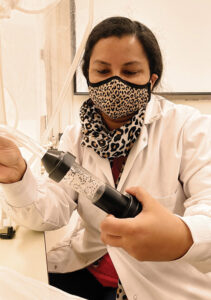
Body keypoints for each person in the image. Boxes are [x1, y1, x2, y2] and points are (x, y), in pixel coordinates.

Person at [0, 16, 211, 300]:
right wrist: (16, 176)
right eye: (103, 70)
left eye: (130, 71)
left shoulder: (188, 129)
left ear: (152, 79)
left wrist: (181, 235)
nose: (115, 82)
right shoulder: (75, 137)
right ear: (88, 76)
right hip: (88, 273)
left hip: (161, 286)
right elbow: (50, 212)